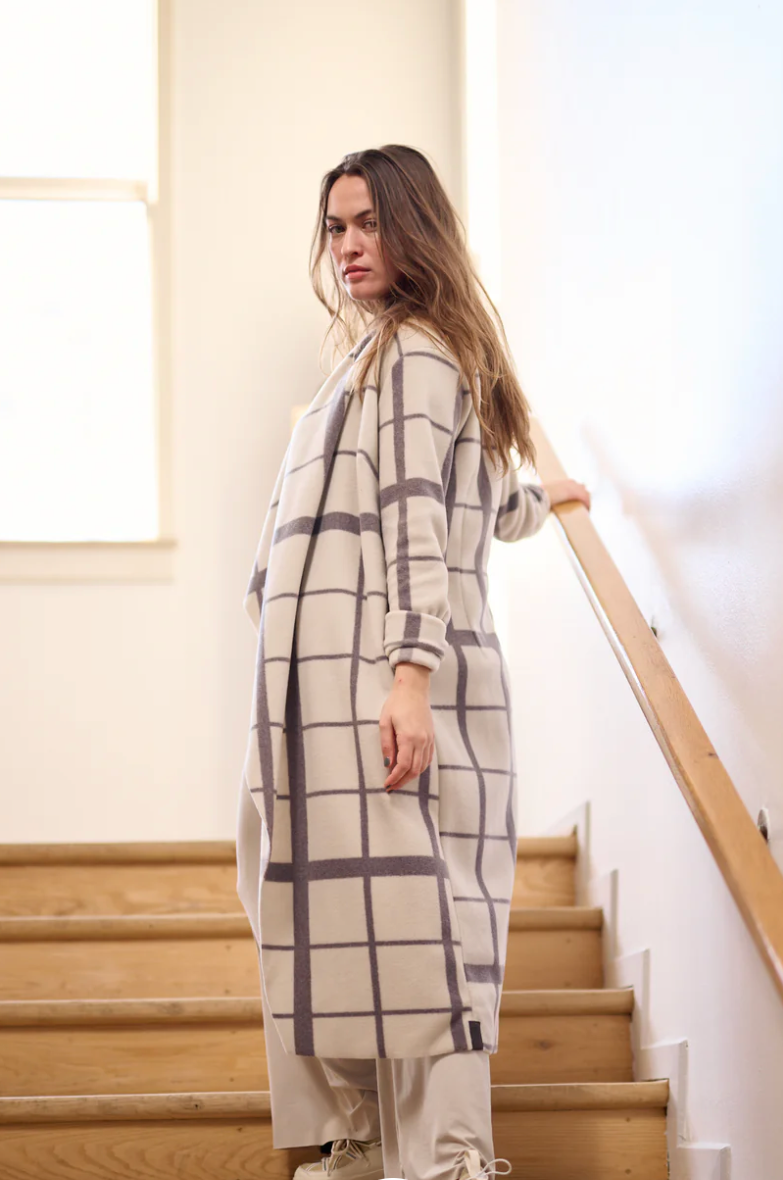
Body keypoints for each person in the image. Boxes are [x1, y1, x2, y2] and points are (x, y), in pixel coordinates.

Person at [236, 144, 591, 1180]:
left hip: (387, 677)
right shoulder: (381, 358)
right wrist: (543, 502)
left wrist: (409, 677)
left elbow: (416, 518)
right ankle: (373, 1136)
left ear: (414, 228)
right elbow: (470, 499)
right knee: (337, 909)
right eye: (335, 228)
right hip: (334, 683)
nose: (348, 246)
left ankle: (444, 1157)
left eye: (369, 224)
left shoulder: (416, 355)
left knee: (424, 924)